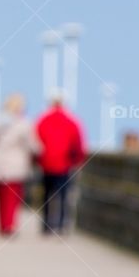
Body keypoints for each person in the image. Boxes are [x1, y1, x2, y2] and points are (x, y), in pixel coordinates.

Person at [0, 93, 40, 237]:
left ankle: (2, 225)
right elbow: (33, 145)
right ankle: (9, 225)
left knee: (0, 198)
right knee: (12, 198)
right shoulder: (23, 124)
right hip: (14, 166)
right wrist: (40, 151)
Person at [35, 92, 86, 235]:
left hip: (46, 164)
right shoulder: (72, 121)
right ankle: (62, 224)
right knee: (63, 195)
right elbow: (77, 142)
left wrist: (38, 160)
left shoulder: (43, 120)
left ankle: (47, 225)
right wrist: (77, 160)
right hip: (64, 164)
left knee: (47, 195)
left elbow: (36, 141)